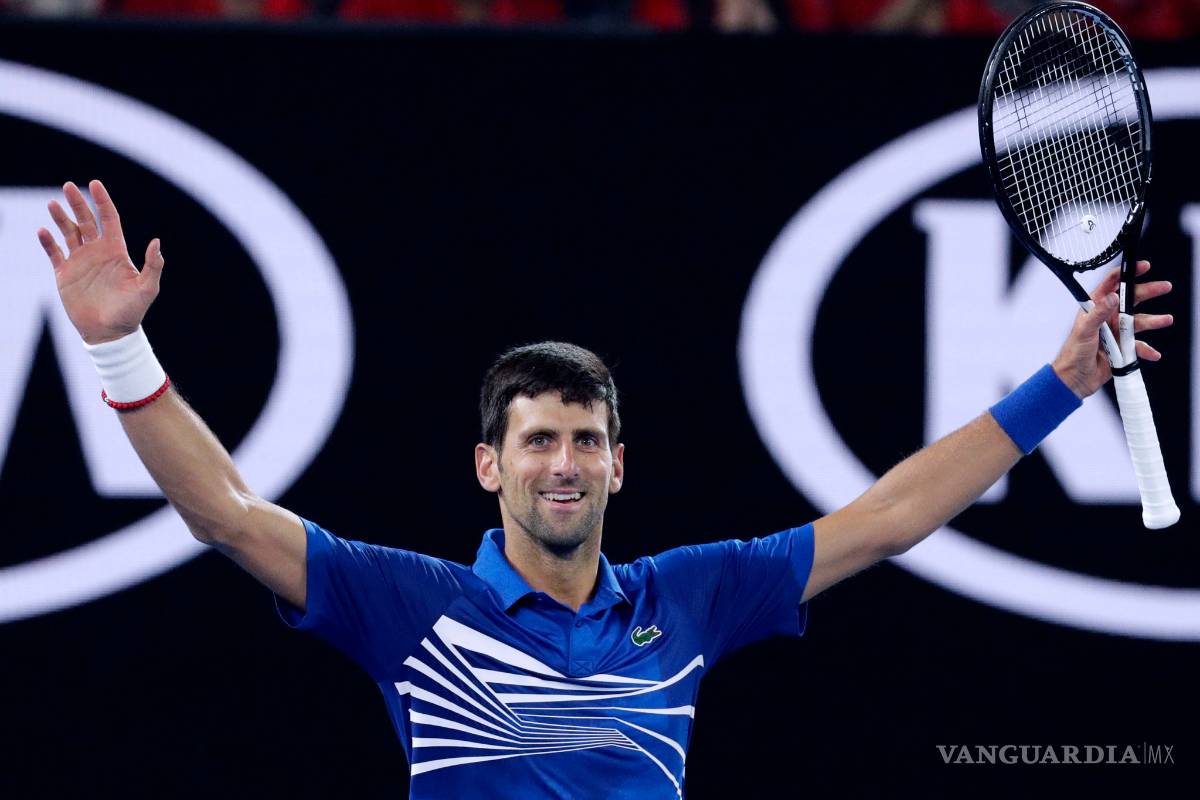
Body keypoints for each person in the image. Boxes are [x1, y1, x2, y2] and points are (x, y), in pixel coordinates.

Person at [37, 179, 1173, 798]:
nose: (564, 463)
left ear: (619, 464)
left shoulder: (693, 595)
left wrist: (1063, 383)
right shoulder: (410, 605)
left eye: (586, 440)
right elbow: (227, 514)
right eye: (537, 441)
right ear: (490, 466)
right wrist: (118, 351)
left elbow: (890, 517)